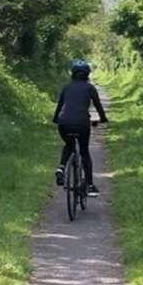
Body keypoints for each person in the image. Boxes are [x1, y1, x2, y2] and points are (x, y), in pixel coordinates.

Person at [52, 59, 108, 197]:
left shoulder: (66, 87)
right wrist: (103, 119)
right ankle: (90, 185)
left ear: (72, 73)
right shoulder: (90, 88)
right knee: (84, 152)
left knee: (69, 144)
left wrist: (55, 119)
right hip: (82, 124)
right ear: (87, 74)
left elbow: (60, 106)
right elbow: (98, 106)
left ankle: (61, 167)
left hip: (64, 123)